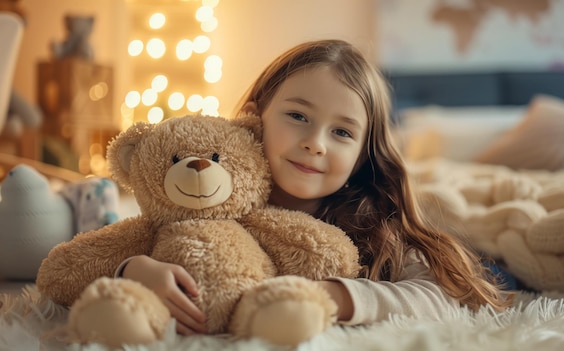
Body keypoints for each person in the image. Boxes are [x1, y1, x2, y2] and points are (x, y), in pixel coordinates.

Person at [118, 39, 512, 336]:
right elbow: (124, 245)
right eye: (298, 115)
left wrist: (334, 297)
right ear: (255, 118)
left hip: (494, 261)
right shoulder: (208, 195)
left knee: (499, 266)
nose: (316, 143)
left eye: (341, 131)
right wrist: (134, 270)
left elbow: (446, 296)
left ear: (361, 156)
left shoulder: (374, 226)